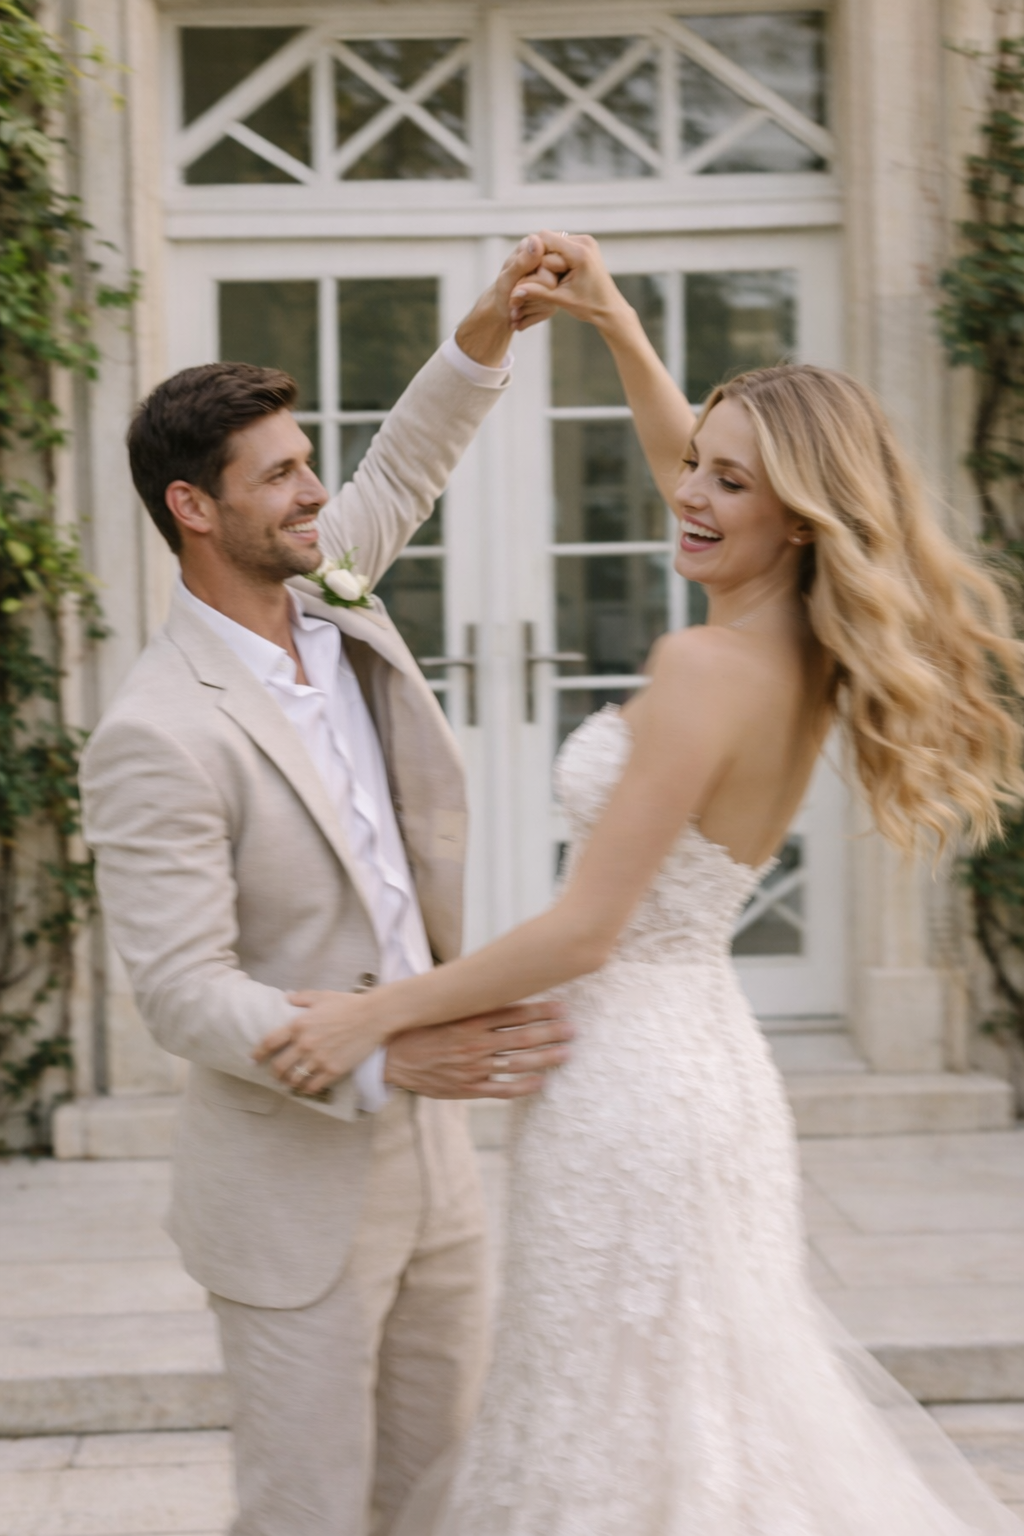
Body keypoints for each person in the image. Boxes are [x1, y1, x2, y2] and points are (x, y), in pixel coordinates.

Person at [255, 233, 1024, 1535]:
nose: (692, 494)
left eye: (731, 482)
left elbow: (583, 929)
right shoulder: (796, 647)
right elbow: (703, 462)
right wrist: (611, 318)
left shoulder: (705, 670)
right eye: (698, 468)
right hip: (703, 1066)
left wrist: (374, 1014)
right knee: (692, 1416)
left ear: (799, 510)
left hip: (628, 1090)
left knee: (623, 1427)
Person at [79, 238, 576, 1536]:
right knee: (305, 1512)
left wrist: (488, 330)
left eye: (309, 465)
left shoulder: (331, 591)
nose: (315, 491)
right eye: (284, 474)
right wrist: (380, 1056)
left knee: (441, 1494)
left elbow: (406, 464)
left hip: (438, 1170)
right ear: (197, 509)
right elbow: (182, 992)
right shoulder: (153, 729)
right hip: (291, 1190)